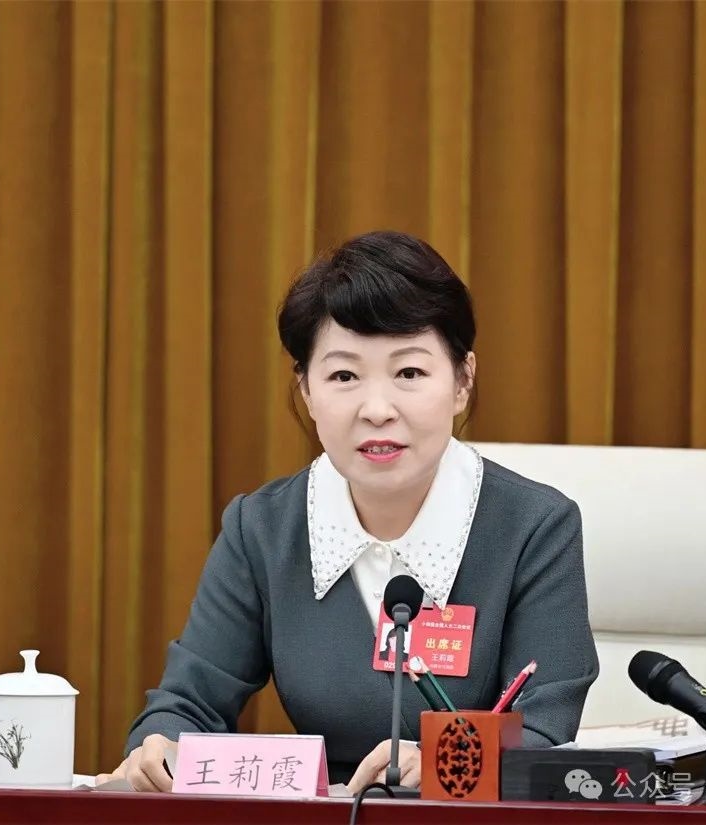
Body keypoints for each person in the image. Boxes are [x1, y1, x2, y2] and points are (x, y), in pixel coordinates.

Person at [95, 230, 599, 793]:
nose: (377, 410)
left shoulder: (535, 527)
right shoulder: (261, 530)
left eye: (409, 373)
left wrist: (445, 760)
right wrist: (160, 745)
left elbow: (546, 729)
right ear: (307, 391)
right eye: (343, 376)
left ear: (462, 381)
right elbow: (188, 703)